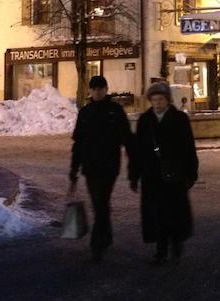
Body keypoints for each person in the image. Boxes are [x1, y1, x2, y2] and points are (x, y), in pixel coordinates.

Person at [129, 81, 199, 263]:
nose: (158, 103)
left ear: (167, 100)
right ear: (150, 101)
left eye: (161, 99)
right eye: (154, 99)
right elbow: (137, 151)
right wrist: (134, 175)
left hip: (174, 173)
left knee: (174, 210)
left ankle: (176, 240)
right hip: (151, 175)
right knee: (156, 213)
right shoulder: (145, 120)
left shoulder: (179, 119)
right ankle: (161, 249)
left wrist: (191, 172)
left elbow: (189, 147)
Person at [69, 75, 135, 261]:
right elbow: (78, 143)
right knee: (100, 203)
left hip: (109, 165)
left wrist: (133, 165)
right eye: (94, 89)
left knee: (101, 202)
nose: (97, 92)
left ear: (106, 90)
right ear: (90, 91)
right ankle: (105, 236)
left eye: (101, 88)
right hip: (90, 166)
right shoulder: (85, 112)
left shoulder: (115, 110)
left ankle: (97, 244)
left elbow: (127, 138)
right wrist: (73, 170)